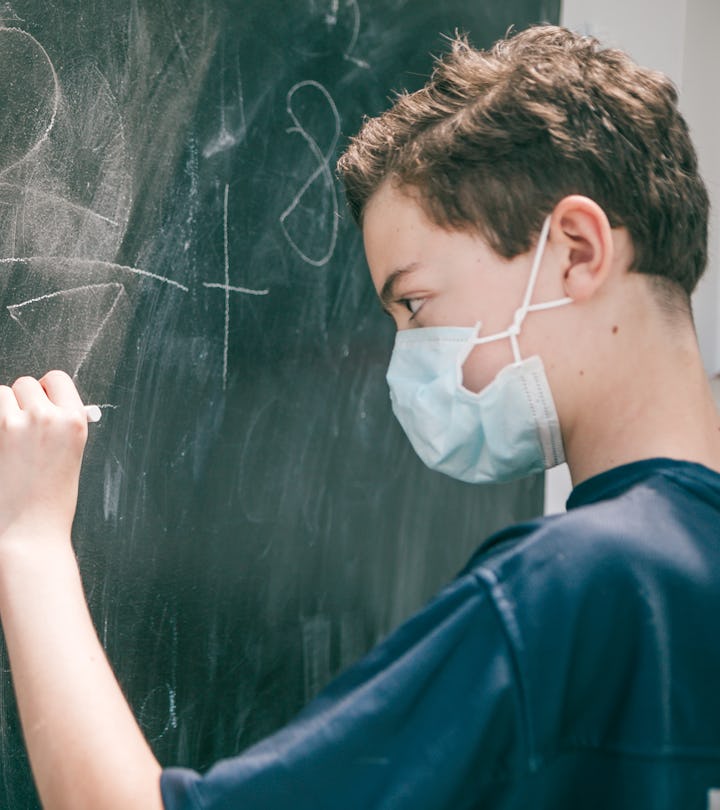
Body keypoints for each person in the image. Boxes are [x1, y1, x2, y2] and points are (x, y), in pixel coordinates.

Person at [0, 22, 718, 810]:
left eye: (415, 304)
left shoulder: (572, 591)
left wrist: (29, 538)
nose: (402, 360)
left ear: (577, 250)